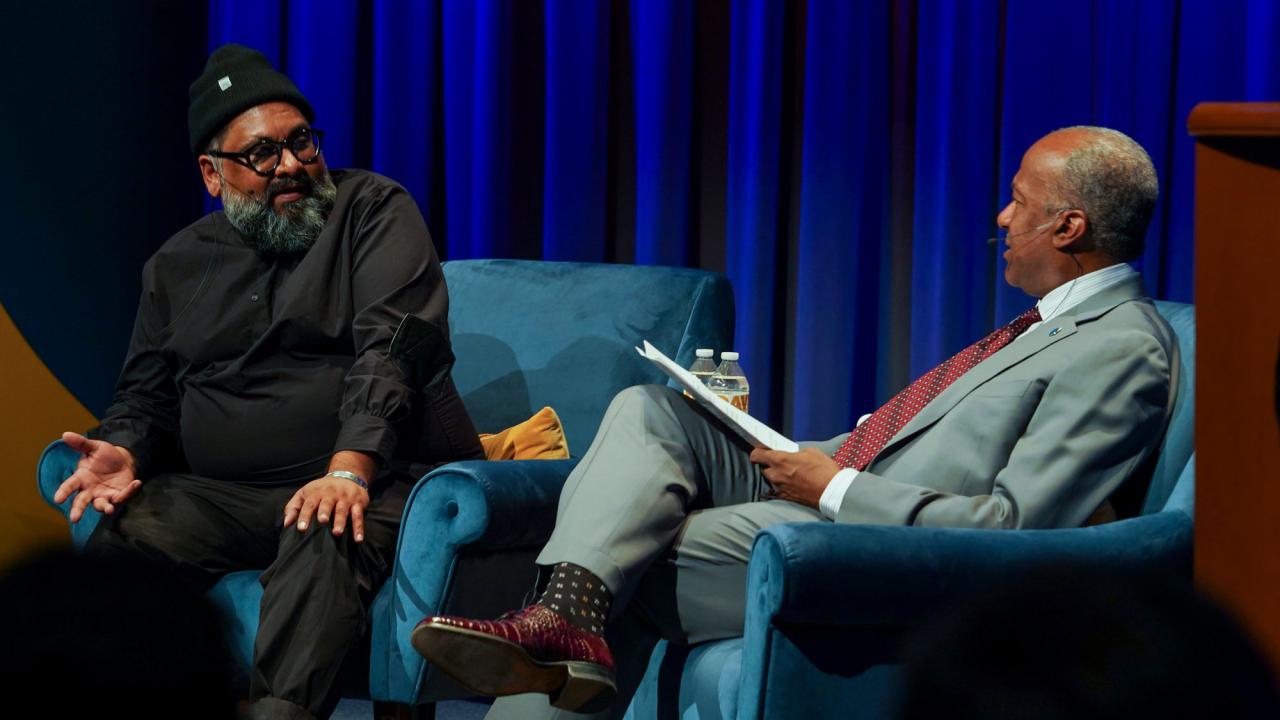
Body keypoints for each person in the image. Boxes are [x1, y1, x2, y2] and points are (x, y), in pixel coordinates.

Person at [410, 126, 1180, 719]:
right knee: (650, 409)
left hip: (878, 545)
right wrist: (792, 453)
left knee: (623, 559)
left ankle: (563, 616)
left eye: (1019, 200)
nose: (1003, 215)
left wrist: (836, 489)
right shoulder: (1041, 326)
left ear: (1069, 227)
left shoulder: (1120, 348)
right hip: (835, 488)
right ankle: (561, 611)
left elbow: (1016, 526)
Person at [52, 44, 484, 720]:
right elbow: (147, 394)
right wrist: (127, 447)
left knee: (322, 520)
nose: (289, 166)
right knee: (130, 533)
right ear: (212, 174)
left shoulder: (371, 210)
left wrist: (348, 468)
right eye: (260, 154)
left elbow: (397, 350)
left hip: (376, 480)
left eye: (300, 142)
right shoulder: (175, 266)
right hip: (229, 498)